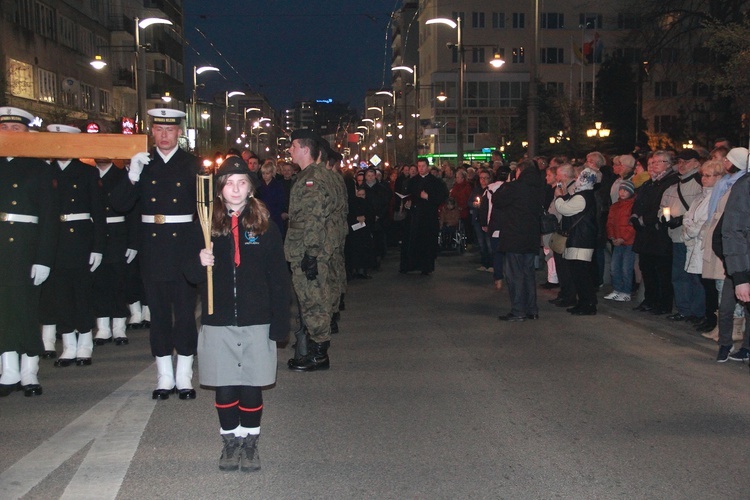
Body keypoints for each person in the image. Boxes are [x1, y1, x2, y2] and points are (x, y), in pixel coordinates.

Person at [186, 157, 290, 472]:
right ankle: (230, 441)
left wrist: (280, 322)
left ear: (250, 189)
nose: (235, 188)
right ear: (219, 190)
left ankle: (250, 441)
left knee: (251, 386)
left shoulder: (266, 226)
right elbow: (189, 274)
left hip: (256, 320)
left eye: (242, 182)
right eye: (229, 183)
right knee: (225, 385)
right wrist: (199, 261)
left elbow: (278, 277)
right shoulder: (205, 224)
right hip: (219, 320)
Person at [111, 109, 201, 400]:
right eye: (159, 130)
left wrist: (201, 250)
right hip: (153, 249)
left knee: (185, 316)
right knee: (159, 315)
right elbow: (119, 204)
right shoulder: (142, 163)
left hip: (184, 249)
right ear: (152, 131)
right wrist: (131, 176)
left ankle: (184, 376)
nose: (164, 135)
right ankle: (164, 375)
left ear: (179, 132)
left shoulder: (193, 164)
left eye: (170, 130)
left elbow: (203, 212)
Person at [0, 107, 58, 397]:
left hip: (27, 245)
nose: (10, 133)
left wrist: (44, 258)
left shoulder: (40, 168)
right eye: (5, 128)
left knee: (26, 309)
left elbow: (49, 217)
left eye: (17, 129)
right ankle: (8, 369)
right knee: (3, 309)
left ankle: (29, 370)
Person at [40, 124, 106, 368]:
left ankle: (85, 343)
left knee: (82, 294)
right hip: (55, 240)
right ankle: (68, 344)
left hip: (81, 240)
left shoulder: (87, 173)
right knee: (61, 296)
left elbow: (99, 214)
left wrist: (98, 247)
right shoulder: (46, 172)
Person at [285, 129, 335, 371]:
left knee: (313, 299)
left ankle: (318, 355)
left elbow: (314, 218)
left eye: (293, 146)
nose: (290, 150)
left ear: (305, 149)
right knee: (310, 299)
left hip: (306, 248)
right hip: (301, 246)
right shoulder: (306, 176)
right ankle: (315, 351)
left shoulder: (311, 179)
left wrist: (311, 253)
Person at [92, 157, 138, 346]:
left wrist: (133, 242)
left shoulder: (121, 176)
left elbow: (133, 212)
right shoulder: (90, 175)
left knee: (119, 281)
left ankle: (119, 326)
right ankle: (103, 326)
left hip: (118, 235)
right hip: (95, 235)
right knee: (100, 282)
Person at [631, 151, 680, 315]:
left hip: (659, 234)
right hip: (645, 234)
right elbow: (638, 202)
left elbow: (663, 206)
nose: (653, 165)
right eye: (651, 163)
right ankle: (650, 299)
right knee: (647, 268)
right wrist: (635, 216)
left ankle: (663, 303)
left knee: (662, 271)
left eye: (659, 162)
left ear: (668, 164)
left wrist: (646, 219)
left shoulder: (671, 182)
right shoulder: (648, 184)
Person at [495, 159, 543, 321]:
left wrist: (506, 184)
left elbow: (498, 200)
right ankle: (532, 309)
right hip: (531, 237)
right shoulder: (538, 187)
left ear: (520, 171)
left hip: (515, 236)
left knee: (515, 275)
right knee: (528, 273)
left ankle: (518, 310)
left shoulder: (515, 187)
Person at [659, 149, 704, 322]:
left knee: (694, 276)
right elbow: (663, 206)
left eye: (687, 161)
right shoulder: (672, 187)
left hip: (693, 238)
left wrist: (682, 219)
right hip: (677, 237)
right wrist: (664, 217)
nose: (682, 165)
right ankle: (684, 309)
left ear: (696, 163)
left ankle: (697, 311)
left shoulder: (700, 184)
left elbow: (702, 211)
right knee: (679, 275)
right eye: (680, 161)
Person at [683, 160, 724, 334]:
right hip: (694, 242)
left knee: (709, 285)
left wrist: (692, 229)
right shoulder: (700, 196)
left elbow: (707, 221)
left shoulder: (717, 196)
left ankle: (712, 318)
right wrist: (688, 227)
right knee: (701, 282)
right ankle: (706, 316)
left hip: (704, 245)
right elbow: (688, 216)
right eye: (703, 176)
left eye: (708, 176)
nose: (704, 179)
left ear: (718, 177)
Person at [555, 168, 600, 315]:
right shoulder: (583, 195)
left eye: (581, 177)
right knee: (579, 274)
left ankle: (588, 304)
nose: (578, 178)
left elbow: (565, 209)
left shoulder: (583, 197)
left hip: (581, 240)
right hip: (579, 239)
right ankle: (584, 303)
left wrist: (559, 197)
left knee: (581, 275)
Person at [399, 158, 448, 275]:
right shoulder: (413, 181)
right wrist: (408, 201)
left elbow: (442, 197)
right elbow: (409, 194)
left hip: (428, 216)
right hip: (414, 216)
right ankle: (412, 265)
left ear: (428, 167)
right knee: (413, 240)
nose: (421, 169)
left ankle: (426, 266)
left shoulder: (436, 182)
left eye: (423, 166)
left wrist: (428, 197)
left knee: (427, 241)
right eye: (419, 166)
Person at [604, 180, 636, 301]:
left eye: (626, 190)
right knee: (614, 267)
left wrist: (624, 238)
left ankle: (626, 291)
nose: (622, 192)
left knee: (626, 267)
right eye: (621, 190)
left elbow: (632, 225)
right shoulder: (615, 206)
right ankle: (617, 289)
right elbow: (610, 222)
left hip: (628, 242)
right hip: (617, 240)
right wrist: (612, 236)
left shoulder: (633, 205)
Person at [256, 160, 287, 239]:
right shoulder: (259, 185)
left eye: (267, 173)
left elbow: (281, 200)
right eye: (263, 173)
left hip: (275, 214)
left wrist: (281, 211)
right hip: (262, 214)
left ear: (272, 173)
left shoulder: (278, 185)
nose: (265, 176)